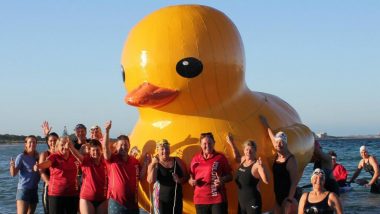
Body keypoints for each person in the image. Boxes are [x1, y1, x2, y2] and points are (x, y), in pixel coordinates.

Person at [103, 120, 148, 214]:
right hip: (116, 203)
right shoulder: (112, 159)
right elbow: (105, 149)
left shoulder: (135, 161)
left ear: (129, 146)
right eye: (121, 145)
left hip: (133, 203)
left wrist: (146, 163)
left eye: (125, 144)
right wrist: (107, 131)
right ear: (116, 147)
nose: (123, 147)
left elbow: (141, 177)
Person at [259, 115, 298, 214]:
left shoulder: (290, 159)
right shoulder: (277, 154)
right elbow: (273, 138)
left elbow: (294, 182)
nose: (278, 145)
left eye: (281, 143)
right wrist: (265, 124)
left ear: (285, 144)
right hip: (277, 196)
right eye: (277, 143)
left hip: (288, 197)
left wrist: (289, 200)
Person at [189, 132, 233, 214]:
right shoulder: (195, 159)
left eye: (210, 143)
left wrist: (222, 179)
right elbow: (191, 176)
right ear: (201, 145)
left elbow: (230, 176)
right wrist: (191, 181)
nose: (207, 145)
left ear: (214, 143)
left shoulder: (220, 157)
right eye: (204, 143)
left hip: (217, 199)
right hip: (200, 200)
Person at [35, 135, 80, 214]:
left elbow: (83, 162)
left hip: (72, 193)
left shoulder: (74, 156)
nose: (64, 147)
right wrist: (38, 166)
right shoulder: (54, 156)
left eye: (67, 144)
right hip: (56, 194)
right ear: (57, 146)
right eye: (62, 145)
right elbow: (47, 163)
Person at [226, 134, 270, 214]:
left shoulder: (256, 165)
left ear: (255, 151)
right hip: (241, 202)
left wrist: (262, 167)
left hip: (253, 202)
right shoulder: (243, 160)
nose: (248, 152)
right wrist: (232, 143)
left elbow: (266, 180)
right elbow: (237, 157)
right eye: (246, 149)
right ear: (244, 150)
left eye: (251, 150)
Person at [147, 139, 188, 214]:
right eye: (162, 149)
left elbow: (186, 176)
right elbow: (150, 180)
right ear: (157, 151)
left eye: (167, 148)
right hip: (160, 201)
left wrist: (179, 180)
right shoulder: (154, 163)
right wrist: (153, 164)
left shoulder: (177, 160)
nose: (165, 151)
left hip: (176, 199)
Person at [68, 139, 108, 214]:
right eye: (93, 150)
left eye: (97, 150)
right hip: (87, 198)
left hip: (102, 198)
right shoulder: (86, 161)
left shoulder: (105, 162)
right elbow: (76, 154)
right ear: (89, 151)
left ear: (101, 150)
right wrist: (70, 147)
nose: (95, 152)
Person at [10, 135, 41, 214]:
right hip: (23, 190)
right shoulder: (21, 157)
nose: (32, 144)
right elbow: (13, 173)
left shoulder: (38, 157)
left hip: (34, 190)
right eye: (30, 142)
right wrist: (12, 166)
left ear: (36, 144)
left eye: (34, 142)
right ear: (26, 144)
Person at [40, 121, 59, 214]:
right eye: (50, 140)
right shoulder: (44, 154)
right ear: (48, 142)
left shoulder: (62, 153)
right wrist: (48, 182)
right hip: (49, 187)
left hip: (62, 188)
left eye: (55, 140)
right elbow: (41, 172)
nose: (53, 142)